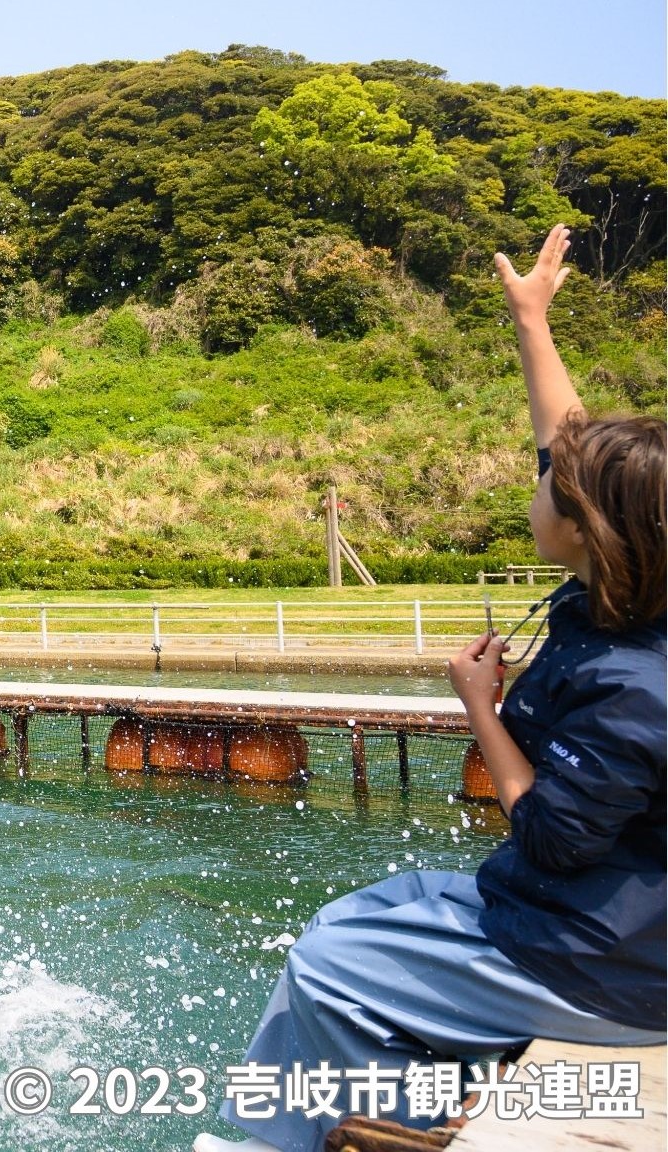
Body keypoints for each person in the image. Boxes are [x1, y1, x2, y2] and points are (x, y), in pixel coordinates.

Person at [195, 225, 666, 1152]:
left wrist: (480, 711)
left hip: (602, 966)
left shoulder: (636, 688)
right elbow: (563, 434)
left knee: (327, 966)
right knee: (349, 915)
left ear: (584, 528)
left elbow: (550, 837)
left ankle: (337, 1136)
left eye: (550, 488)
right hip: (588, 922)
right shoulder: (630, 582)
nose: (535, 483)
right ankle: (371, 1104)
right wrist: (531, 320)